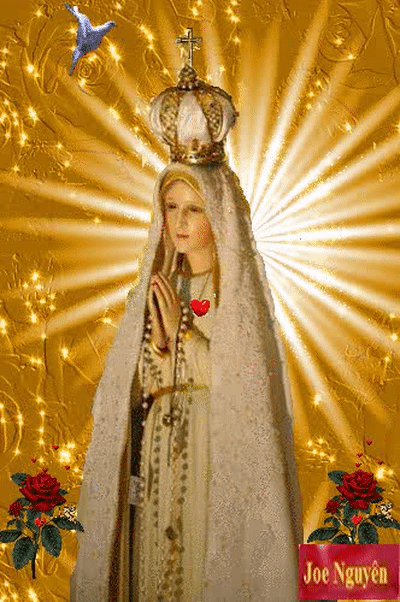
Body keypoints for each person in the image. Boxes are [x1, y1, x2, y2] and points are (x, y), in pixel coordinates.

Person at [70, 61, 309, 602]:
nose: (178, 222)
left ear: (218, 216)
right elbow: (130, 387)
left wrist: (186, 341)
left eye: (194, 210)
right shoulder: (156, 286)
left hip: (208, 452)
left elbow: (244, 390)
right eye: (171, 207)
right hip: (156, 454)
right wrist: (154, 354)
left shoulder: (234, 295)